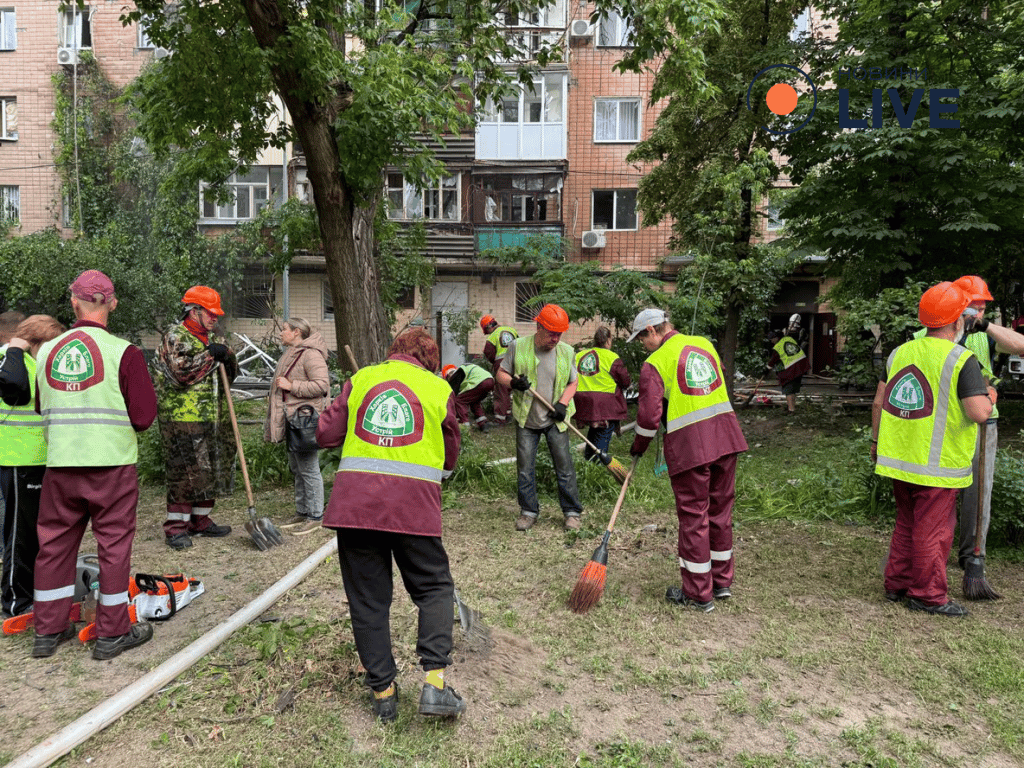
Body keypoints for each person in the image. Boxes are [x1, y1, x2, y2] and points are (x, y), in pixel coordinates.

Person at [316, 329, 465, 723]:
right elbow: (450, 458)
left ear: (391, 352)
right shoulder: (437, 389)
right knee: (433, 588)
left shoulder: (361, 380)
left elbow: (325, 434)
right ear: (431, 361)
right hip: (414, 510)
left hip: (355, 509)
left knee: (368, 599)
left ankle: (384, 693)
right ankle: (434, 685)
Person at [28, 271, 157, 658]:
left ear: (73, 303)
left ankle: (47, 632)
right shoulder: (125, 352)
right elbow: (145, 415)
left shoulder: (48, 352)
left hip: (61, 465)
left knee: (52, 546)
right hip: (111, 466)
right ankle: (112, 635)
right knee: (113, 547)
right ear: (112, 304)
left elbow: (39, 406)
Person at [872, 282, 991, 617]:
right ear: (958, 321)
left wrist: (875, 441)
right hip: (936, 464)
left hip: (898, 457)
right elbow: (978, 412)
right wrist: (991, 395)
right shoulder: (960, 358)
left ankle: (896, 584)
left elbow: (881, 401)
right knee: (933, 529)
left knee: (907, 522)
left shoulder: (900, 352)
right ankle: (927, 594)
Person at [627, 308, 748, 612]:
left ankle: (697, 593)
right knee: (720, 512)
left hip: (691, 446)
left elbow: (648, 419)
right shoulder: (704, 344)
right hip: (726, 436)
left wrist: (639, 446)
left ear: (653, 330)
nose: (644, 345)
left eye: (643, 338)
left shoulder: (655, 363)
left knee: (694, 517)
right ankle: (721, 583)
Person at [950, 276, 1024, 593]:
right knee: (937, 489)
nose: (979, 309)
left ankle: (972, 557)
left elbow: (1020, 345)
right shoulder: (935, 332)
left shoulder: (984, 335)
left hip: (983, 423)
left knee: (979, 493)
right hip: (945, 422)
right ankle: (930, 551)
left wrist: (986, 326)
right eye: (974, 304)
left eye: (983, 305)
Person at [152, 286, 236, 550]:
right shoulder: (175, 336)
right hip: (180, 416)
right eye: (210, 313)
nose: (215, 318)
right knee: (183, 472)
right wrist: (211, 354)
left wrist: (227, 354)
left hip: (211, 415)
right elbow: (181, 374)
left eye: (217, 314)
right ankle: (176, 527)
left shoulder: (211, 336)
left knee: (209, 468)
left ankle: (200, 520)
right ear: (194, 310)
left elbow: (230, 374)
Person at [495, 303, 584, 531]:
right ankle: (528, 511)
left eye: (559, 334)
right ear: (539, 326)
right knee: (525, 468)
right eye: (552, 333)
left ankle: (572, 512)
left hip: (555, 420)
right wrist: (514, 383)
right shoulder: (518, 347)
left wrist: (563, 404)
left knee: (564, 467)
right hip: (527, 419)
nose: (555, 339)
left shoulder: (566, 351)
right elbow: (501, 374)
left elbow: (574, 381)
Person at [1, 315, 65, 619]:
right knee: (19, 534)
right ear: (34, 340)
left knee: (38, 532)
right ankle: (15, 600)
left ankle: (37, 591)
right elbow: (16, 389)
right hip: (17, 458)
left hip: (40, 458)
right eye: (48, 345)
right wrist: (15, 347)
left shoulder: (34, 363)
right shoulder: (9, 361)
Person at [265, 317, 331, 533]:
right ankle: (302, 511)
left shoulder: (311, 354)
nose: (281, 333)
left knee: (309, 469)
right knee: (297, 467)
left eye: (284, 329)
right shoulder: (292, 353)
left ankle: (315, 515)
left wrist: (292, 385)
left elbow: (321, 385)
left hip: (304, 422)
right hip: (293, 420)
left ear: (296, 332)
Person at [574, 326, 630, 461]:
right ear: (608, 341)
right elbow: (625, 381)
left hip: (582, 402)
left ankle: (588, 460)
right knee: (603, 433)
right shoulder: (612, 357)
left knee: (594, 431)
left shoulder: (580, 355)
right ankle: (597, 464)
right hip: (604, 404)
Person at [480, 315, 518, 426]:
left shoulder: (493, 336)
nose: (487, 333)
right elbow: (521, 346)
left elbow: (488, 353)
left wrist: (495, 363)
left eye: (486, 331)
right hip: (516, 362)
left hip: (502, 364)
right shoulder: (512, 331)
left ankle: (500, 419)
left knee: (501, 391)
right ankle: (508, 414)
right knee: (509, 388)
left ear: (488, 327)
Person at [764, 328, 811, 414]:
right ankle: (792, 407)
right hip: (801, 366)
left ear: (775, 338)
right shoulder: (789, 339)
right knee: (792, 389)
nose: (771, 342)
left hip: (792, 369)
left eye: (771, 340)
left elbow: (773, 360)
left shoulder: (778, 347)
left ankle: (791, 410)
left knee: (788, 389)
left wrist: (766, 369)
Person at [442, 362, 494, 431]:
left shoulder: (456, 376)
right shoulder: (464, 370)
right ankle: (483, 423)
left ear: (448, 376)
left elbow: (454, 395)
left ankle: (465, 425)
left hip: (479, 382)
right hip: (490, 380)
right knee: (474, 401)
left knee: (459, 401)